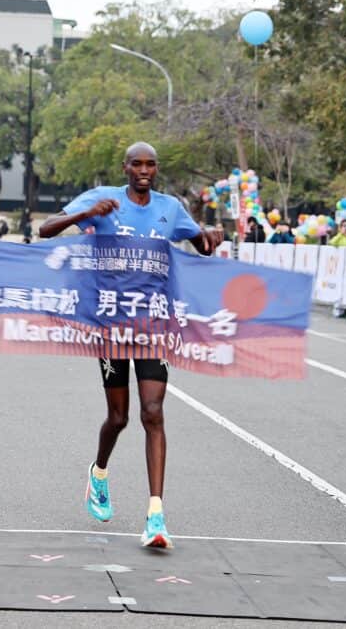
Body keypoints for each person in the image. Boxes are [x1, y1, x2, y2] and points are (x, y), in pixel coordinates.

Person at [39, 141, 224, 550]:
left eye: (150, 164)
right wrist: (88, 214)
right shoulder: (102, 199)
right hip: (111, 324)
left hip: (153, 322)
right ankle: (99, 473)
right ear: (125, 168)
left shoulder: (169, 207)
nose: (144, 170)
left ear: (156, 169)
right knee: (119, 418)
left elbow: (201, 244)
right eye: (136, 164)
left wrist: (210, 236)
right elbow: (46, 229)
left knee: (153, 412)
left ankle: (155, 514)